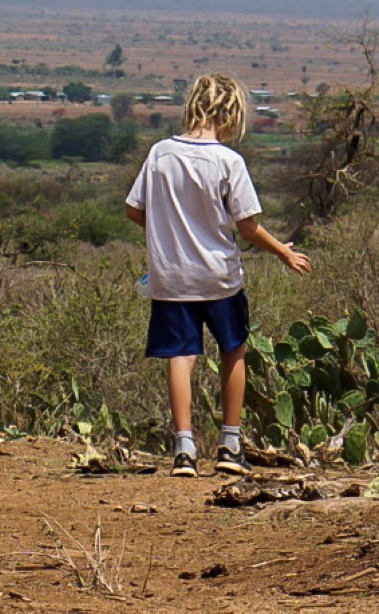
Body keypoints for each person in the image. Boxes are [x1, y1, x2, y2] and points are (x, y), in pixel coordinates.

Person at [124, 73, 310, 478]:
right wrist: (283, 252)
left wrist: (166, 236)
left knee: (181, 355)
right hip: (220, 277)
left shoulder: (160, 154)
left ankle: (184, 450)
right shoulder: (228, 161)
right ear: (231, 113)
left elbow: (134, 210)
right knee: (234, 350)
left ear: (193, 105)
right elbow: (247, 226)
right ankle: (229, 444)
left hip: (171, 277)